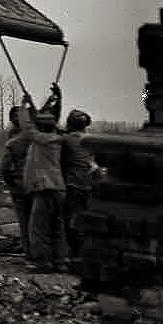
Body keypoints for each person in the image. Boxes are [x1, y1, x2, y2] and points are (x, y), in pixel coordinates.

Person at [19, 91, 69, 272]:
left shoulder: (40, 139)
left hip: (44, 189)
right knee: (57, 226)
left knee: (38, 227)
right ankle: (61, 261)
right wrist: (55, 100)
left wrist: (24, 106)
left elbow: (26, 126)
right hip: (59, 188)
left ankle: (43, 263)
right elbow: (48, 119)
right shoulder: (57, 138)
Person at [61, 108, 101, 259]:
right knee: (86, 219)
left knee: (71, 221)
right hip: (89, 184)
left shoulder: (66, 140)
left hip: (73, 185)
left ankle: (76, 252)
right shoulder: (90, 140)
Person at [0, 106, 34, 257]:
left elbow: (4, 167)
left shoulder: (16, 139)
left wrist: (11, 181)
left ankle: (30, 251)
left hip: (21, 183)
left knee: (26, 220)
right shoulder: (37, 135)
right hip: (35, 183)